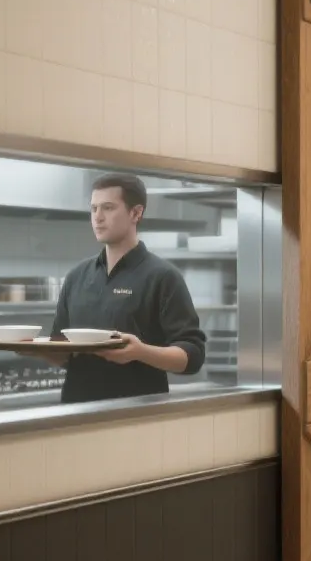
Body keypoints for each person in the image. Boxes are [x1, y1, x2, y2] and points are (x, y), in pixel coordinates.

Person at [39, 173, 206, 404]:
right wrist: (30, 347)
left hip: (136, 417)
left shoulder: (163, 276)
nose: (97, 217)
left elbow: (193, 356)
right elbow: (62, 352)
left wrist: (140, 352)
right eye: (93, 208)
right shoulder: (77, 276)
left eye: (107, 208)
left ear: (136, 213)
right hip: (75, 416)